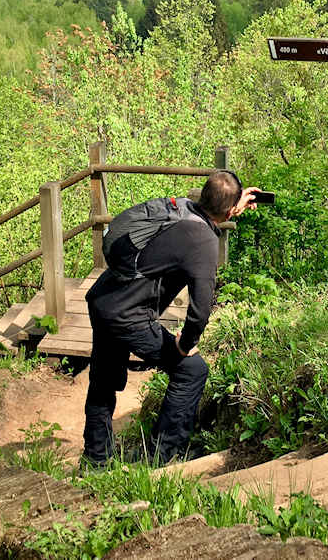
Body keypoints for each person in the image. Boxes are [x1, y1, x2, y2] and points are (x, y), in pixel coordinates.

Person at [81, 170, 258, 467]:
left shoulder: (181, 210)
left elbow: (213, 210)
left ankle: (95, 460)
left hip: (103, 299)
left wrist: (231, 203)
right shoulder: (203, 242)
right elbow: (201, 309)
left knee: (103, 380)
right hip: (127, 316)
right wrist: (185, 344)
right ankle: (161, 459)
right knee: (192, 370)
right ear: (229, 211)